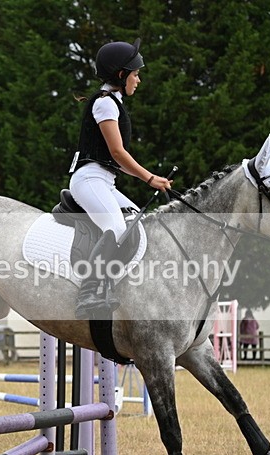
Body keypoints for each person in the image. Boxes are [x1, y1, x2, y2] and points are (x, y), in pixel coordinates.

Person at [69, 38, 172, 318]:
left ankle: (114, 283)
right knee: (115, 225)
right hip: (89, 179)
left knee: (136, 220)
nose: (138, 80)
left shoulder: (113, 102)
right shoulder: (105, 104)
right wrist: (150, 178)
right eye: (136, 74)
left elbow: (116, 159)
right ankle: (89, 293)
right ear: (121, 75)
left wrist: (149, 179)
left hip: (104, 180)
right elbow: (117, 151)